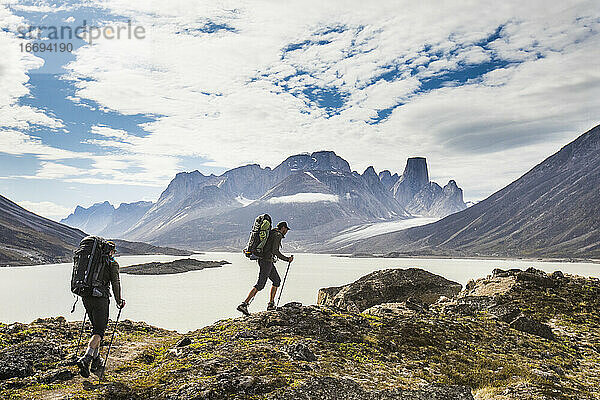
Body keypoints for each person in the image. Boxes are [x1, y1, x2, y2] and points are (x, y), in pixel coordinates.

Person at [76, 240, 126, 378]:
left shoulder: (91, 262)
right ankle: (86, 358)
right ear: (110, 251)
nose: (114, 254)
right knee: (99, 331)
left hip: (86, 297)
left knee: (95, 328)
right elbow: (115, 282)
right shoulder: (112, 263)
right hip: (100, 299)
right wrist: (119, 301)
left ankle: (96, 359)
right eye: (113, 251)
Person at [237, 221, 294, 315]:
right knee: (260, 284)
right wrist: (287, 259)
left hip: (267, 261)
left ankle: (271, 304)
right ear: (283, 228)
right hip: (266, 261)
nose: (286, 232)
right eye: (286, 229)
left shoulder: (271, 232)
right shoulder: (277, 235)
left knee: (277, 281)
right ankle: (244, 304)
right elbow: (275, 251)